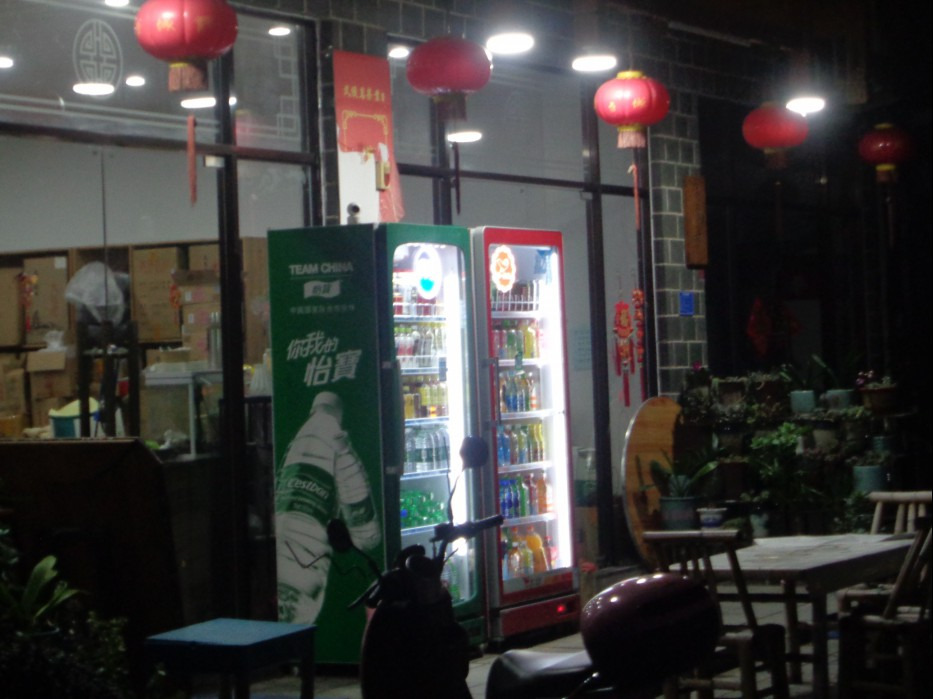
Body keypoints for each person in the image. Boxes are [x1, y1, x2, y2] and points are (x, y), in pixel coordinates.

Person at [275, 390, 381, 622]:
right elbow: (367, 537)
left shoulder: (313, 438)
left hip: (296, 561)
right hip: (306, 577)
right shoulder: (335, 443)